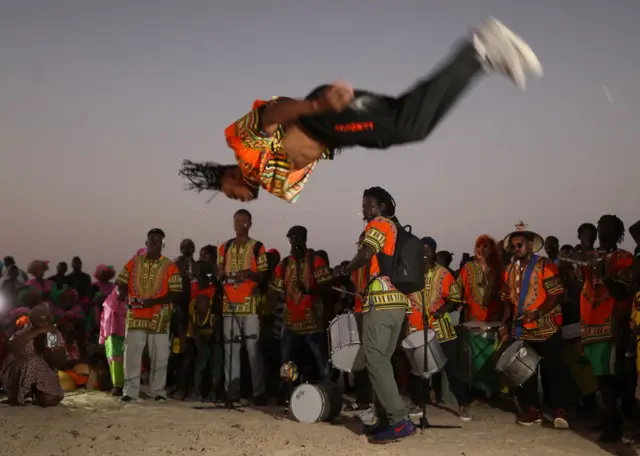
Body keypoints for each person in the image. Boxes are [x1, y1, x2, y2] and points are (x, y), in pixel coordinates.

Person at [179, 17, 542, 204]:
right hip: (338, 134)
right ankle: (481, 57)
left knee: (407, 126)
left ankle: (480, 50)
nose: (238, 199)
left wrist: (318, 105)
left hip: (323, 117)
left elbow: (274, 114)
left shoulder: (243, 151)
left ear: (228, 176)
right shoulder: (271, 181)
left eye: (229, 194)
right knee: (409, 124)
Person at [334, 186, 415, 444]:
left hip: (380, 304)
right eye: (364, 204)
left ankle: (399, 419)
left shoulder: (379, 224)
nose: (365, 209)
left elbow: (367, 253)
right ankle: (384, 419)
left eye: (369, 204)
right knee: (382, 362)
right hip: (398, 304)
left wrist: (347, 268)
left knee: (376, 361)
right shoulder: (396, 229)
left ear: (382, 207)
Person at [500, 222, 570, 430]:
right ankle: (532, 410)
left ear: (530, 245)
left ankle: (559, 410)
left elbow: (556, 294)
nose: (516, 249)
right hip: (522, 329)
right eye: (513, 246)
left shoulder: (545, 265)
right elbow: (507, 301)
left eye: (520, 245)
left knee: (553, 371)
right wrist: (504, 324)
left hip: (547, 327)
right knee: (525, 373)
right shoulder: (509, 270)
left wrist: (538, 312)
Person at [579, 215, 635, 442]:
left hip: (612, 323)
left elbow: (623, 291)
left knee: (609, 377)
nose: (604, 229)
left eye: (610, 227)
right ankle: (608, 417)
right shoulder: (589, 257)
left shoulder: (625, 258)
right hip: (590, 322)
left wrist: (604, 274)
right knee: (598, 376)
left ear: (619, 233)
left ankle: (614, 423)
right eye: (602, 225)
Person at [116, 228, 183, 403]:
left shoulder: (170, 266)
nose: (155, 242)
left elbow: (176, 292)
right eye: (152, 239)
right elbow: (121, 282)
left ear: (163, 244)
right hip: (136, 315)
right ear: (146, 243)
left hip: (159, 317)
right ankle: (130, 392)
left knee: (160, 356)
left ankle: (158, 391)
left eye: (158, 240)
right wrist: (121, 293)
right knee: (132, 355)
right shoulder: (134, 262)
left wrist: (153, 302)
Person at [407, 237, 470, 420]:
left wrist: (443, 309)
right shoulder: (410, 273)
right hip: (417, 329)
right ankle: (418, 403)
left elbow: (455, 298)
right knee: (416, 369)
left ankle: (463, 404)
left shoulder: (443, 273)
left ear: (434, 252)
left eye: (428, 250)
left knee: (451, 368)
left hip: (440, 328)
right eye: (421, 250)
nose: (425, 253)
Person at [268, 226, 332, 386]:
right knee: (286, 362)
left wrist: (310, 289)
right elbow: (274, 290)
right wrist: (267, 312)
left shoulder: (315, 261)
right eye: (291, 239)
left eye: (297, 238)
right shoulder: (284, 264)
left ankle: (330, 391)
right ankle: (288, 394)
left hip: (312, 321)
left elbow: (327, 286)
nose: (294, 242)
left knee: (321, 361)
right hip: (291, 321)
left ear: (304, 239)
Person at [217, 209, 268, 405]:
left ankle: (258, 392)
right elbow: (218, 269)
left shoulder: (258, 247)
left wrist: (248, 273)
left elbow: (263, 274)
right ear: (233, 223)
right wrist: (220, 271)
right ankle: (232, 392)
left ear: (250, 223)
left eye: (244, 221)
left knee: (253, 349)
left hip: (250, 305)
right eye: (237, 220)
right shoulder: (225, 246)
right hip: (229, 303)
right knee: (231, 350)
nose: (241, 224)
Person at [456, 235, 504, 397]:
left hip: (494, 319)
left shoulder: (499, 269)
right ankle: (478, 392)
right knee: (474, 358)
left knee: (493, 356)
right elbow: (457, 290)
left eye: (485, 246)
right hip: (473, 320)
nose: (481, 250)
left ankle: (494, 392)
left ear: (492, 250)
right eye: (479, 246)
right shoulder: (468, 268)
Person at [0, 304, 66, 406]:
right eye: (40, 322)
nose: (44, 325)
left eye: (46, 322)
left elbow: (58, 363)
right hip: (19, 370)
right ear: (31, 321)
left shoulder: (53, 334)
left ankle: (37, 393)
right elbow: (12, 347)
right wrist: (38, 332)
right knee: (33, 360)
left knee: (49, 400)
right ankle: (24, 393)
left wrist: (54, 350)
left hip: (42, 371)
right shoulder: (23, 332)